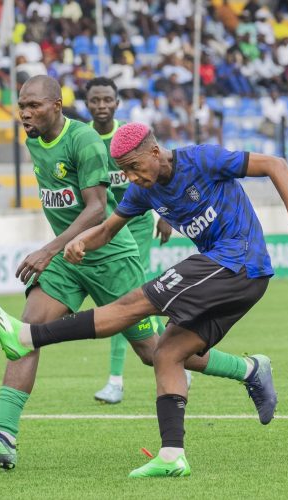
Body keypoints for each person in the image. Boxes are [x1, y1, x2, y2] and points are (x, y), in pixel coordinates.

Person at [0, 77, 273, 471]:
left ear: (57, 105)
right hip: (72, 259)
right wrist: (68, 248)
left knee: (156, 353)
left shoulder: (84, 141)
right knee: (26, 332)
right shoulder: (34, 142)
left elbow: (97, 210)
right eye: (22, 106)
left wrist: (49, 249)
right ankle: (3, 439)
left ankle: (246, 369)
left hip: (111, 261)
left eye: (33, 105)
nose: (25, 113)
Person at [84, 77, 173, 404]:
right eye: (95, 100)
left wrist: (166, 214)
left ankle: (116, 381)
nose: (102, 105)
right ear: (87, 104)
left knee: (128, 300)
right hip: (107, 228)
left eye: (108, 99)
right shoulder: (84, 139)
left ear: (117, 102)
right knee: (129, 302)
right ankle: (174, 353)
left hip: (135, 226)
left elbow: (162, 169)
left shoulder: (131, 137)